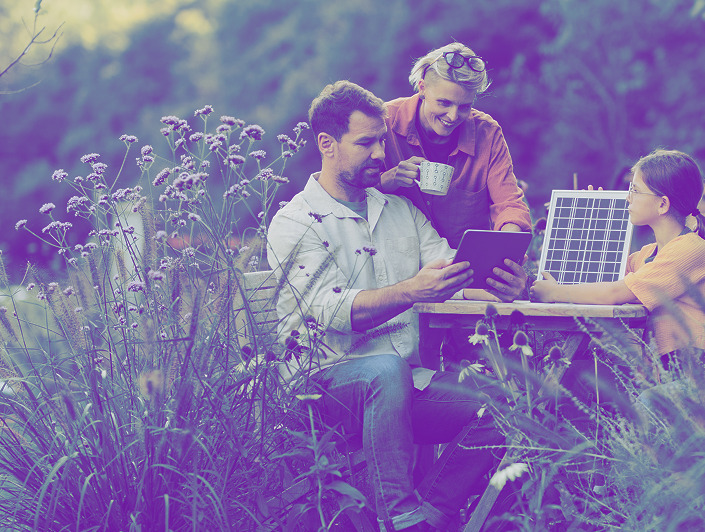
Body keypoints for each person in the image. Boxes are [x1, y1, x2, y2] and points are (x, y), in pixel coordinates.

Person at [267, 80, 504, 531]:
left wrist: (499, 278)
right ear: (327, 144)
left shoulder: (397, 210)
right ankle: (399, 516)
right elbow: (332, 312)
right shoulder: (295, 221)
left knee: (501, 405)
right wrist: (412, 291)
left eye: (382, 140)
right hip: (323, 388)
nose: (381, 154)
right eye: (366, 143)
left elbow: (448, 265)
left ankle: (432, 514)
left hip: (402, 385)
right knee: (384, 369)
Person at [380, 42, 532, 302]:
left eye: (464, 107)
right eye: (444, 103)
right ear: (422, 88)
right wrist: (389, 180)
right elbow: (351, 190)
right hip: (397, 280)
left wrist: (506, 249)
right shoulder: (384, 120)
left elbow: (509, 204)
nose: (452, 116)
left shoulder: (488, 132)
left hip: (467, 281)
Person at [531, 149, 705, 375]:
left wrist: (554, 293)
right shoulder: (648, 254)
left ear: (662, 204)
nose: (627, 197)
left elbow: (614, 292)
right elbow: (604, 277)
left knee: (644, 400)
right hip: (667, 371)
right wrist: (597, 217)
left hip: (694, 369)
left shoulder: (691, 249)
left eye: (634, 190)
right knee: (578, 379)